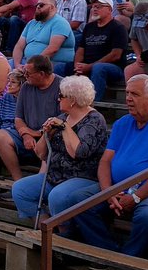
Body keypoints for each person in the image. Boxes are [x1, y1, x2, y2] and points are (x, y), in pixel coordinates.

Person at [90, 75, 148, 257]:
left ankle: (128, 258)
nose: (128, 99)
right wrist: (107, 191)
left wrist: (136, 198)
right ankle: (108, 253)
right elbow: (105, 161)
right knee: (79, 201)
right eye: (126, 93)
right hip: (118, 188)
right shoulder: (122, 123)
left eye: (134, 94)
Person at [10, 75, 109, 224]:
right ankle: (47, 227)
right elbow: (41, 153)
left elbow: (79, 153)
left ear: (73, 100)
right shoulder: (63, 116)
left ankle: (64, 233)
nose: (58, 99)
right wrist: (46, 134)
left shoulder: (94, 120)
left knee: (57, 196)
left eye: (61, 96)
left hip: (82, 177)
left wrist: (65, 127)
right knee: (20, 189)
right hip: (55, 175)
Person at [74, 0, 127, 98]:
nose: (94, 9)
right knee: (60, 67)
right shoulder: (89, 27)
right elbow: (81, 49)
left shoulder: (118, 28)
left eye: (99, 7)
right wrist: (78, 65)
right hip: (88, 65)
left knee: (98, 68)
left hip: (112, 67)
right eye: (93, 7)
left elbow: (116, 55)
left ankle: (94, 105)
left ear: (109, 10)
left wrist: (89, 67)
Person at [12, 0, 75, 74]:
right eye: (37, 5)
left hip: (50, 63)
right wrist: (17, 64)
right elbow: (19, 46)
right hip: (27, 62)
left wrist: (32, 65)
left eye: (41, 5)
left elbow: (53, 49)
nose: (38, 7)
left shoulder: (60, 23)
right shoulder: (32, 23)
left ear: (52, 7)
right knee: (7, 65)